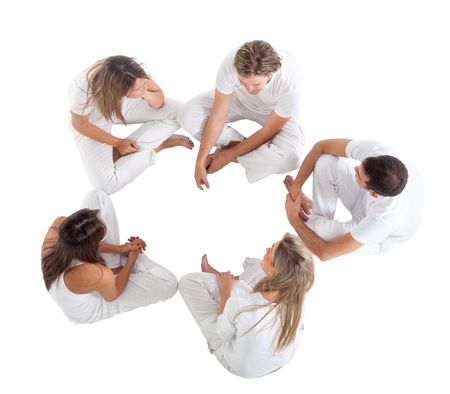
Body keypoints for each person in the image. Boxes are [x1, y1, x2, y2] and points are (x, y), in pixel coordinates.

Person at [178, 233, 314, 378]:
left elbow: (222, 332)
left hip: (239, 366)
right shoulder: (299, 297)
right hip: (278, 361)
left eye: (270, 250)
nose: (267, 248)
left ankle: (222, 282)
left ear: (276, 270)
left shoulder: (242, 304)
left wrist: (226, 292)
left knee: (188, 282)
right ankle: (225, 280)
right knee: (259, 266)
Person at [177, 40, 304, 189]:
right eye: (243, 81)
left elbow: (266, 132)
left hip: (274, 112)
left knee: (291, 160)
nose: (250, 89)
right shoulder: (231, 63)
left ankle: (232, 150)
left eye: (256, 84)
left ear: (270, 74)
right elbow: (218, 117)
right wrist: (200, 160)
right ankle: (251, 152)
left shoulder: (290, 84)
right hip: (238, 100)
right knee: (186, 115)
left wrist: (227, 156)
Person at [41, 190, 178, 324]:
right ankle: (127, 260)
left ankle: (120, 261)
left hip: (87, 271)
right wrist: (131, 259)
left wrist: (120, 248)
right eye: (100, 238)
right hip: (99, 302)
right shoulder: (94, 273)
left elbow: (86, 246)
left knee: (96, 196)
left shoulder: (58, 227)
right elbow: (113, 294)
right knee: (169, 283)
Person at [68, 55, 193, 195]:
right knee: (106, 186)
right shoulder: (81, 87)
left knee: (180, 111)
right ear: (119, 91)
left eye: (144, 83)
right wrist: (117, 142)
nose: (145, 86)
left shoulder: (132, 70)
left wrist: (144, 92)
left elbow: (158, 100)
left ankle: (150, 143)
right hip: (91, 121)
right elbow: (80, 124)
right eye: (139, 88)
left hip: (120, 106)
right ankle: (158, 146)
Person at [284, 138, 424, 261]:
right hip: (368, 199)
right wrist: (296, 187)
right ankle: (313, 213)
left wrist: (293, 219)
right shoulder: (377, 151)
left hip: (381, 237)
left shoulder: (383, 220)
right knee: (326, 161)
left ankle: (311, 219)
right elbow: (321, 146)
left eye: (358, 175)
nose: (355, 167)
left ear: (374, 194)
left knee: (321, 234)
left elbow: (325, 253)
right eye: (362, 164)